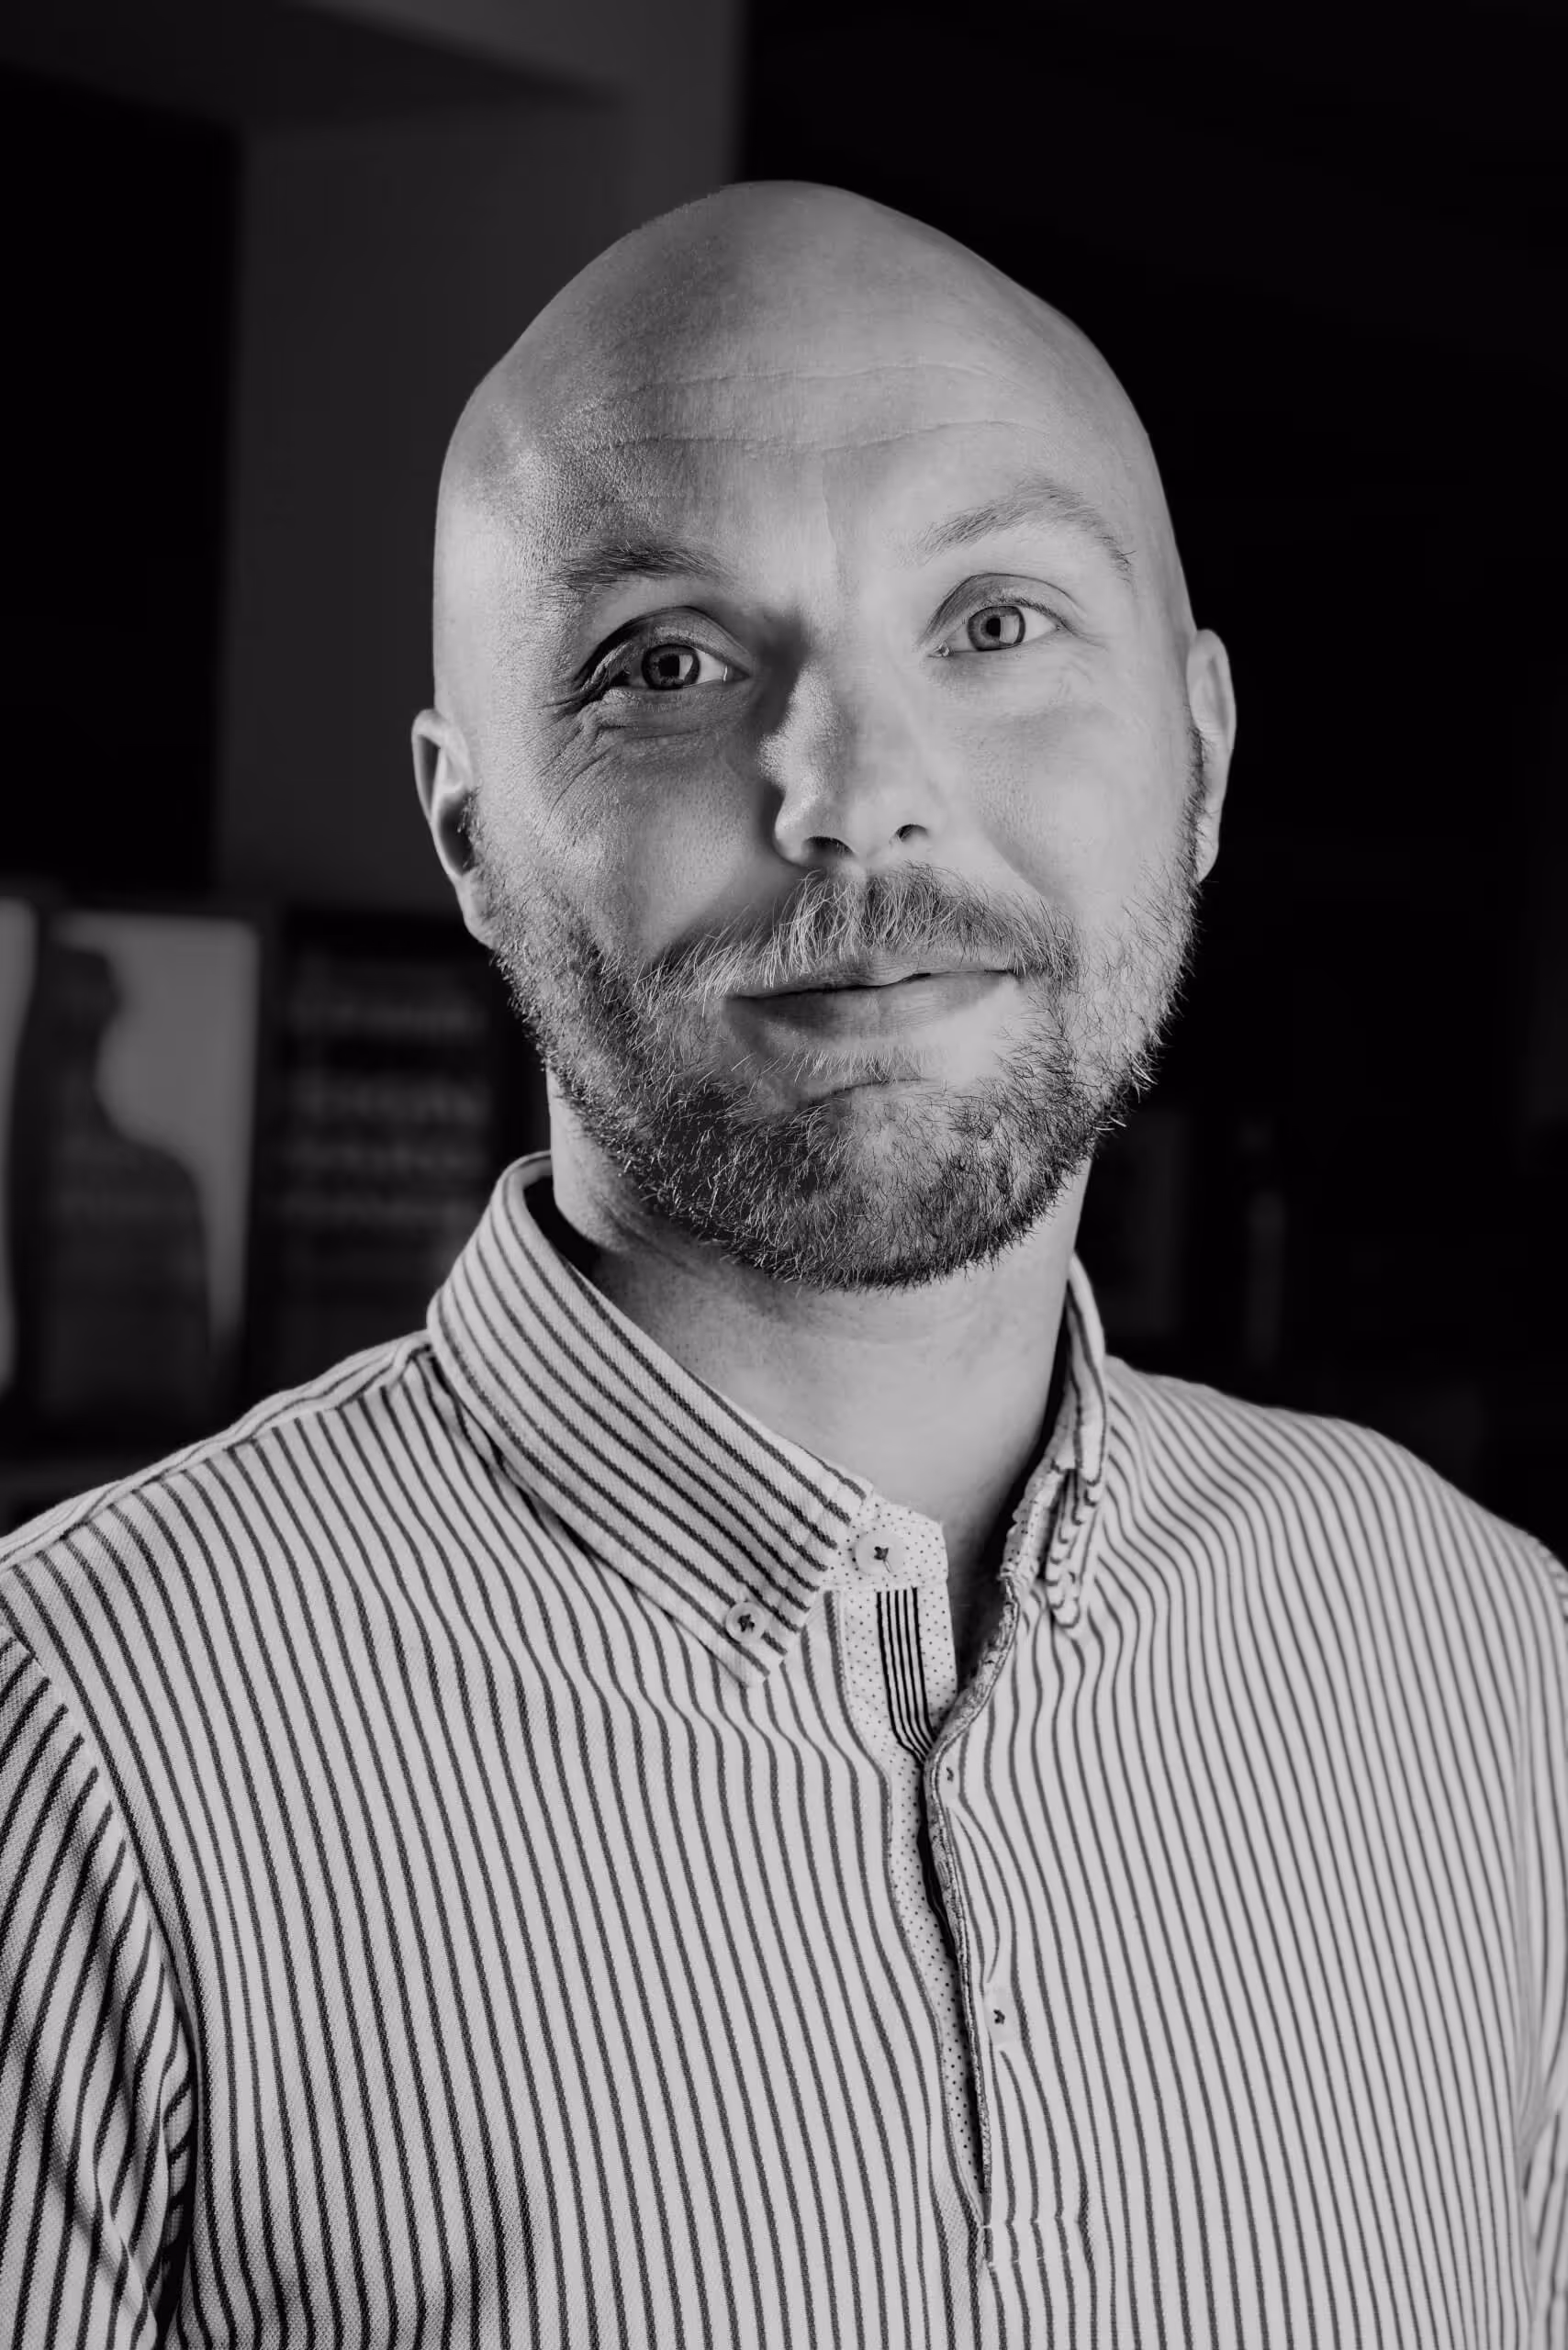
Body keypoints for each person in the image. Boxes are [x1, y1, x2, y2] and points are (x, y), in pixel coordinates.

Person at [1, 180, 1562, 2349]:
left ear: (1195, 756)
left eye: (994, 620)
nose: (854, 795)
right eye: (667, 663)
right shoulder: (77, 1740)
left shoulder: (1484, 1657)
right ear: (470, 836)